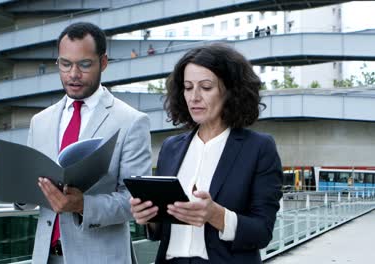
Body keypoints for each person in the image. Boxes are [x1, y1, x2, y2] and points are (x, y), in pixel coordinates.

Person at [130, 43, 283, 264]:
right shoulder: (170, 147)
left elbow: (262, 232)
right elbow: (162, 231)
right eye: (188, 87)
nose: (194, 97)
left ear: (230, 90)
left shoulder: (259, 148)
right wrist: (148, 218)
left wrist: (216, 215)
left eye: (206, 87)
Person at [26, 22, 152, 264]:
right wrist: (20, 191)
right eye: (65, 64)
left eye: (84, 65)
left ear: (103, 63)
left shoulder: (131, 121)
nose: (73, 74)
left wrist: (83, 205)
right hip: (45, 258)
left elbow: (134, 201)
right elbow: (29, 192)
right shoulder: (39, 121)